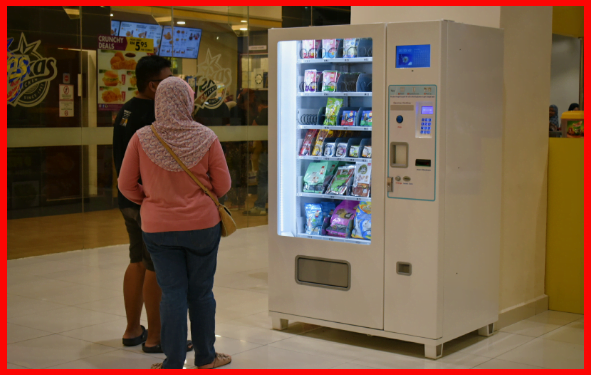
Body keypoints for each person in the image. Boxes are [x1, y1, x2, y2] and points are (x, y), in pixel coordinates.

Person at [118, 77, 232, 369]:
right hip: (202, 228)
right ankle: (206, 356)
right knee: (202, 292)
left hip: (158, 228)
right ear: (188, 101)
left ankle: (173, 360)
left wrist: (149, 200)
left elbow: (125, 184)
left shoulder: (142, 138)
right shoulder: (206, 137)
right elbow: (223, 185)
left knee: (171, 293)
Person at [113, 55, 194, 354]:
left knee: (137, 261)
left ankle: (133, 329)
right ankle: (156, 337)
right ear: (152, 85)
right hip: (147, 202)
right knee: (155, 268)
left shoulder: (125, 110)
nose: (174, 86)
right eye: (168, 80)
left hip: (126, 199)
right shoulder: (152, 116)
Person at [244, 100, 268, 216]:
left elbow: (254, 127)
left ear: (261, 104)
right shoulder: (280, 108)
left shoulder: (265, 112)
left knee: (263, 179)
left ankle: (260, 205)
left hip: (267, 151)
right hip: (279, 151)